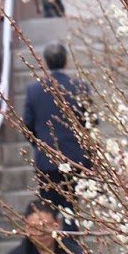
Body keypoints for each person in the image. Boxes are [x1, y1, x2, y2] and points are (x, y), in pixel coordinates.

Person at [22, 42, 92, 209]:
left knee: (48, 209)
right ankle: (71, 234)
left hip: (46, 157)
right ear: (66, 61)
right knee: (71, 209)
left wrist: (39, 144)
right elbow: (90, 122)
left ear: (45, 62)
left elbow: (27, 125)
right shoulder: (80, 87)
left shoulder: (34, 89)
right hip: (75, 156)